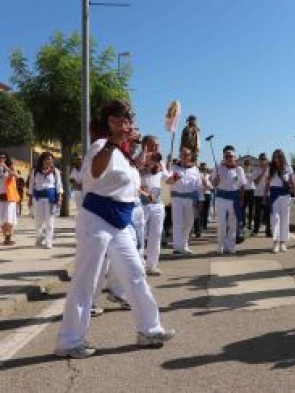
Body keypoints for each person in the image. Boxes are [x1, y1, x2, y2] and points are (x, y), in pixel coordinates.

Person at [55, 99, 174, 359]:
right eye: (117, 119)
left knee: (135, 274)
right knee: (86, 280)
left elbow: (133, 180)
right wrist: (110, 142)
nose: (123, 123)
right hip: (97, 218)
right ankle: (69, 340)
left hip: (119, 222)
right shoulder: (100, 147)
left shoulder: (123, 154)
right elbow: (96, 173)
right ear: (106, 123)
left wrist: (141, 150)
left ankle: (149, 329)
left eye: (126, 119)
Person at [138, 135, 168, 275]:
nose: (156, 147)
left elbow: (167, 178)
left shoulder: (161, 161)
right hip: (141, 202)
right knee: (140, 235)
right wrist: (144, 156)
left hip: (156, 201)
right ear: (145, 145)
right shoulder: (138, 158)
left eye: (157, 145)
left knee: (156, 234)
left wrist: (174, 178)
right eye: (153, 145)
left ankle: (151, 265)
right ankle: (139, 265)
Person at [167, 146, 204, 255]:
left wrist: (201, 200)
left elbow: (199, 186)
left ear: (191, 156)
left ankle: (184, 244)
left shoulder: (195, 169)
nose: (185, 156)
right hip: (177, 198)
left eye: (187, 154)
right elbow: (166, 182)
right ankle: (177, 247)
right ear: (179, 156)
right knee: (178, 222)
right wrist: (173, 179)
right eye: (183, 154)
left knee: (188, 223)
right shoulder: (173, 168)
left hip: (191, 199)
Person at [211, 146, 247, 254]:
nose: (229, 158)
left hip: (234, 198)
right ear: (224, 157)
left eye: (231, 156)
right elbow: (213, 183)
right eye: (227, 156)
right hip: (221, 198)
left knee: (233, 223)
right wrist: (216, 180)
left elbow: (242, 185)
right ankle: (220, 246)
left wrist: (241, 199)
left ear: (234, 157)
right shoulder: (218, 168)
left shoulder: (239, 169)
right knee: (222, 223)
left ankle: (230, 246)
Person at [264, 149, 295, 253]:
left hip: (285, 195)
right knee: (275, 219)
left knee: (285, 219)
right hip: (274, 196)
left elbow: (292, 182)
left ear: (282, 157)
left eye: (278, 156)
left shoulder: (288, 168)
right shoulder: (269, 168)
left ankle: (283, 242)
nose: (276, 158)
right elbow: (267, 184)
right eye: (275, 156)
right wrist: (265, 196)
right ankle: (275, 242)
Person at [29, 152, 64, 249]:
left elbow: (59, 186)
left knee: (50, 221)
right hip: (38, 199)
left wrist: (60, 198)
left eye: (51, 159)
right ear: (42, 160)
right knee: (38, 221)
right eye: (47, 159)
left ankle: (49, 241)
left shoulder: (55, 171)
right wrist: (30, 199)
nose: (50, 161)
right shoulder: (35, 171)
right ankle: (39, 238)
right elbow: (31, 185)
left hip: (50, 199)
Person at [0, 153, 19, 245]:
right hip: (0, 196)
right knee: (2, 218)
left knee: (9, 218)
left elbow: (16, 176)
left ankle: (9, 236)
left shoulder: (11, 167)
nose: (1, 159)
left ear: (6, 158)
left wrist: (5, 166)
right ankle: (6, 237)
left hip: (9, 196)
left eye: (3, 157)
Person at [251, 153, 271, 237]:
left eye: (264, 159)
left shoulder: (270, 170)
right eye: (261, 159)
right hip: (258, 194)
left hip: (268, 195)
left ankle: (268, 231)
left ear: (266, 160)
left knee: (268, 214)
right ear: (259, 160)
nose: (262, 161)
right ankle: (255, 230)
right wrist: (263, 172)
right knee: (257, 214)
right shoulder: (256, 169)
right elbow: (256, 182)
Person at [242, 159, 256, 231]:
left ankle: (250, 223)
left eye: (248, 164)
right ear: (244, 165)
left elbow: (256, 181)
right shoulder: (241, 172)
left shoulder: (253, 172)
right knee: (243, 208)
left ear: (250, 165)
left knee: (251, 208)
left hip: (251, 191)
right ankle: (243, 223)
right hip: (244, 191)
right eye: (246, 164)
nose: (247, 165)